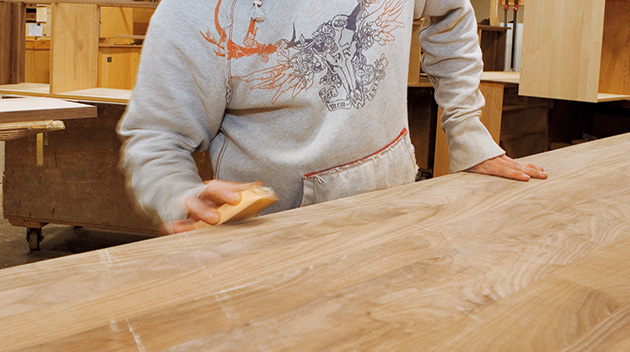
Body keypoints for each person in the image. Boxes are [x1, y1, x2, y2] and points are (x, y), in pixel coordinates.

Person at [119, 0, 546, 233]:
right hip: (273, 245)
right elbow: (156, 139)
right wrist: (177, 195)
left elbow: (452, 13)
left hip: (397, 218)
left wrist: (467, 132)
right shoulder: (193, 13)